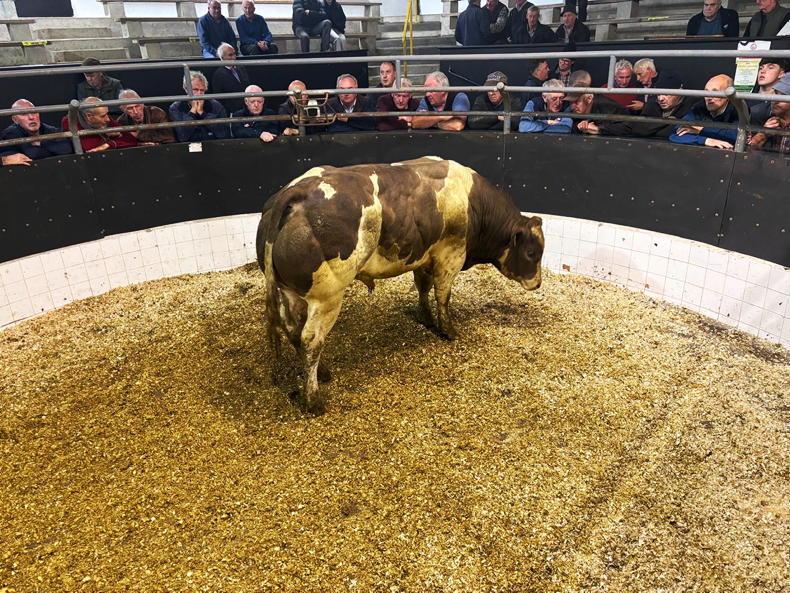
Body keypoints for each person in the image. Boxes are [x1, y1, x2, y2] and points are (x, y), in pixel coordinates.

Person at [669, 74, 738, 150]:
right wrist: (706, 140)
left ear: (728, 96)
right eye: (706, 92)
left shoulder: (738, 110)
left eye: (715, 92)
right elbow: (675, 134)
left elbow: (736, 137)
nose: (709, 97)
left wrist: (700, 130)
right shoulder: (699, 108)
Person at [0, 99, 72, 165]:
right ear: (15, 120)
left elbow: (67, 149)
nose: (31, 117)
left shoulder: (49, 129)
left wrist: (37, 146)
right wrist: (50, 148)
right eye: (24, 114)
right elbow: (32, 155)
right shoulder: (9, 134)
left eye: (33, 112)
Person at [564, 72, 632, 136]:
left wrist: (598, 129)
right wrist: (579, 127)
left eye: (577, 102)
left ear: (589, 99)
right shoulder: (574, 110)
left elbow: (627, 127)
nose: (572, 106)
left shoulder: (607, 106)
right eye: (571, 102)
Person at [169, 71, 230, 142]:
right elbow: (182, 136)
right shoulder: (176, 107)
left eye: (202, 90)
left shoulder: (215, 105)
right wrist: (192, 112)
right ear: (186, 89)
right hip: (188, 146)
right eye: (195, 90)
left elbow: (224, 134)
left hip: (212, 144)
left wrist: (203, 113)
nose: (199, 94)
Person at [631, 71, 696, 139]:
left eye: (666, 94)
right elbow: (638, 129)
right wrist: (667, 121)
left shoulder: (690, 106)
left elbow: (677, 133)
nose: (660, 98)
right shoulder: (653, 103)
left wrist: (653, 129)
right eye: (658, 94)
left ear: (679, 92)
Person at [61, 97, 138, 152]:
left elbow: (131, 140)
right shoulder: (70, 122)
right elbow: (91, 149)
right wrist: (108, 136)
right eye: (103, 116)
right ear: (89, 116)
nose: (108, 119)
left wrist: (108, 144)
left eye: (107, 114)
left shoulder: (105, 119)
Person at [754, 73, 790, 154]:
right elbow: (746, 154)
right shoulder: (765, 120)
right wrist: (762, 135)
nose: (775, 100)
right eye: (776, 93)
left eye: (783, 95)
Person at [211, 42, 251, 113]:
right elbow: (219, 98)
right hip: (231, 111)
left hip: (247, 107)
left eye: (234, 54)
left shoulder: (241, 68)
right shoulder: (218, 75)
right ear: (222, 57)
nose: (234, 57)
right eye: (230, 55)